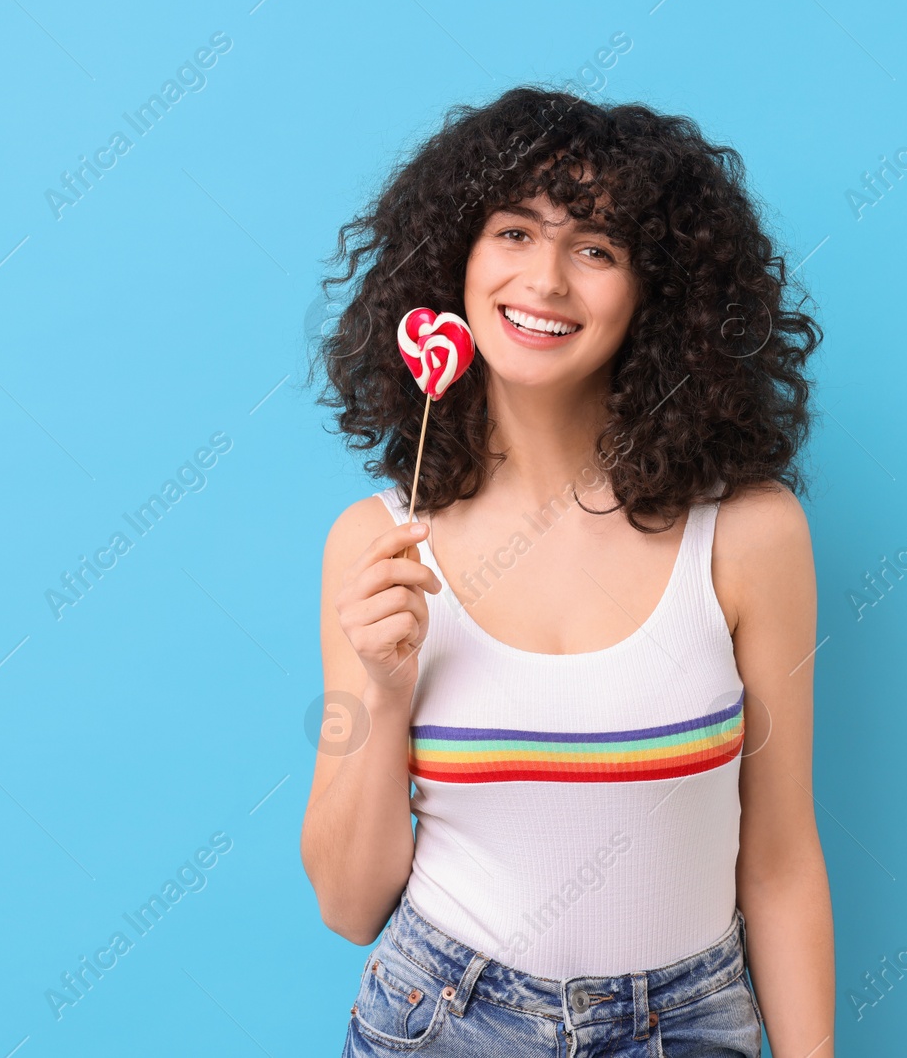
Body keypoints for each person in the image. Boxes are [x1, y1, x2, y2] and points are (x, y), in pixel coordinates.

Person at [302, 85, 832, 1057]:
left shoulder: (750, 534)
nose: (543, 277)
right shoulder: (378, 542)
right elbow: (347, 901)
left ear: (655, 294)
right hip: (444, 1018)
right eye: (512, 231)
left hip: (688, 1023)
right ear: (454, 260)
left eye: (595, 248)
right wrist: (382, 684)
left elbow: (782, 856)